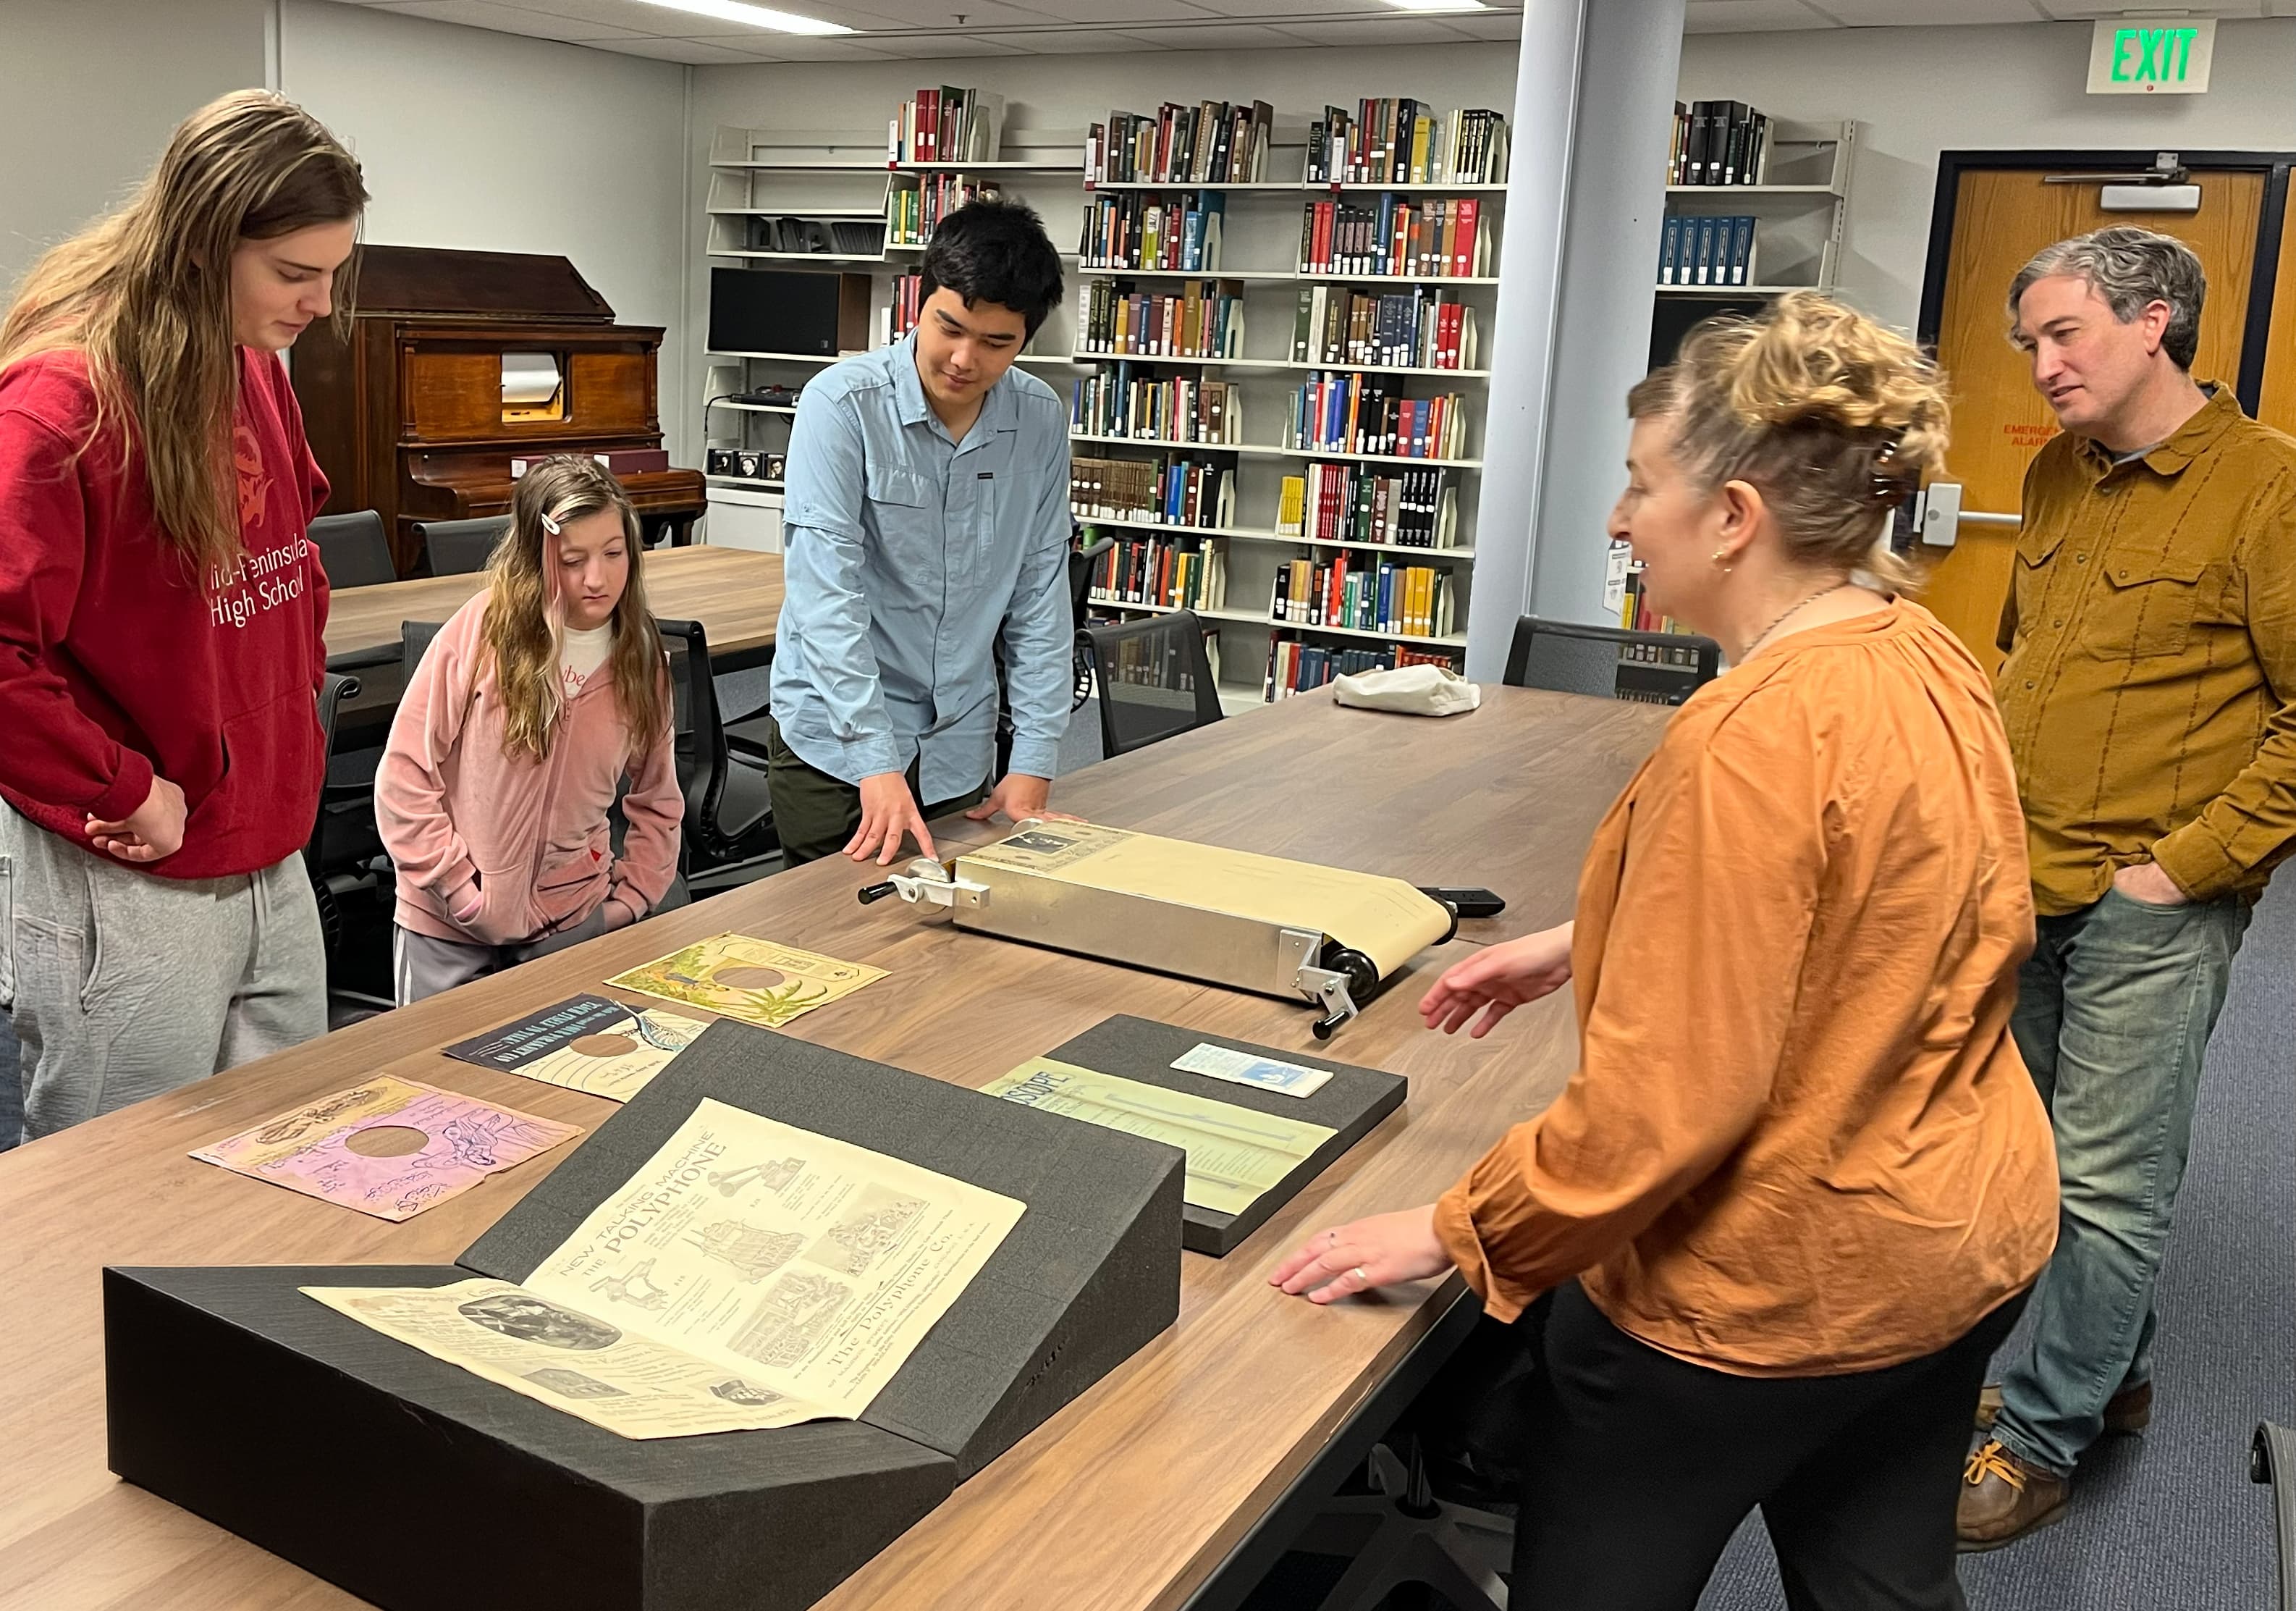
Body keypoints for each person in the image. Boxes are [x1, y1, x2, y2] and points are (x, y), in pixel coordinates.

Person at [1272, 293, 2059, 1609]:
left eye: (1639, 488)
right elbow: (1902, 902)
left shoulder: (1744, 735)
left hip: (1769, 1291)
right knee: (1876, 1582)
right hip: (1956, 1239)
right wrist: (1594, 937)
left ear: (1735, 516)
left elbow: (1662, 1116)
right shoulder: (1920, 655)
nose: (1616, 522)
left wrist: (1461, 1231)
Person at [1959, 227, 2296, 1547]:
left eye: (2062, 335)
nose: (2041, 366)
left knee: (2107, 1183)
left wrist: (2183, 871)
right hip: (2024, 881)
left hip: (2150, 901)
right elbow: (2022, 662)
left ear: (2154, 321)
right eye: (2030, 344)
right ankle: (2115, 1374)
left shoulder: (2269, 488)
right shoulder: (2054, 476)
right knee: (2044, 1166)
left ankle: (2041, 1436)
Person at [0, 91, 365, 1140]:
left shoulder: (256, 363)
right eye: (295, 275)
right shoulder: (60, 401)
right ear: (205, 244)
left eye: (332, 272)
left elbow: (291, 549)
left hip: (270, 854)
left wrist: (289, 717)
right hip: (136, 876)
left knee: (276, 1169)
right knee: (109, 1200)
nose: (321, 305)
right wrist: (120, 786)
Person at [761, 197, 1073, 868]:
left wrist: (1036, 755)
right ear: (919, 300)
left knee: (954, 947)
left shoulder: (1039, 419)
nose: (965, 359)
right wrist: (876, 762)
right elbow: (826, 598)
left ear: (1026, 340)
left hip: (960, 748)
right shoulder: (841, 405)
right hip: (839, 750)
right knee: (830, 947)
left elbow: (1040, 593)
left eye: (997, 343)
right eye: (950, 327)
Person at [376, 456, 680, 1005]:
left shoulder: (640, 658)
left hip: (571, 924)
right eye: (573, 560)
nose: (597, 578)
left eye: (614, 555)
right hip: (448, 927)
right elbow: (403, 777)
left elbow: (658, 798)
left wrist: (629, 901)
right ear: (536, 561)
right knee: (437, 1086)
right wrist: (459, 891)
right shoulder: (481, 632)